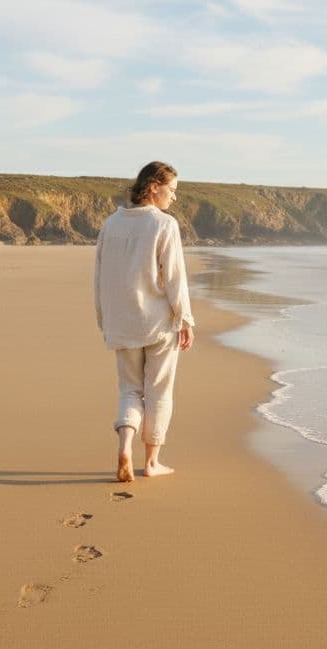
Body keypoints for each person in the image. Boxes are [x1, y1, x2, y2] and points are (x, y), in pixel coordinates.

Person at [93, 161, 194, 482]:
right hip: (158, 323)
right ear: (154, 187)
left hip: (121, 321)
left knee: (129, 390)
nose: (174, 198)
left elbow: (100, 277)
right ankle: (151, 462)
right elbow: (174, 278)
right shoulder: (164, 224)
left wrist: (104, 319)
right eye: (172, 190)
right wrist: (185, 319)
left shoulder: (111, 224)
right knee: (159, 391)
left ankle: (125, 447)